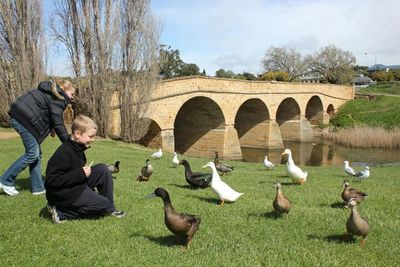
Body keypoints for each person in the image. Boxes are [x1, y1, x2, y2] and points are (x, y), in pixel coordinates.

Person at [44, 115, 126, 224]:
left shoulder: (77, 148)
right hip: (63, 194)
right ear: (78, 134)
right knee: (102, 203)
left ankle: (109, 209)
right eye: (90, 136)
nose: (92, 140)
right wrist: (80, 173)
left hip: (74, 184)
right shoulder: (63, 153)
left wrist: (81, 174)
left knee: (103, 169)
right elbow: (52, 180)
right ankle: (61, 212)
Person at [0, 79, 75, 196]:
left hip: (20, 115)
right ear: (64, 90)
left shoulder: (51, 93)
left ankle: (38, 187)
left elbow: (46, 112)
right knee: (32, 153)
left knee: (36, 154)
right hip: (23, 120)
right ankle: (5, 181)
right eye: (72, 94)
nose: (72, 98)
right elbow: (58, 121)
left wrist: (51, 128)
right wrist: (69, 143)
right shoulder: (59, 97)